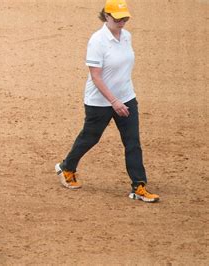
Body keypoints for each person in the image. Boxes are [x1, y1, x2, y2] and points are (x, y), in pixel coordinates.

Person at [54, 0, 159, 203]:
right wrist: (114, 101)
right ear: (107, 16)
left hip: (127, 98)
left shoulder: (127, 36)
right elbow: (96, 76)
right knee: (90, 138)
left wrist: (122, 98)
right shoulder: (97, 41)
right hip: (100, 102)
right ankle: (67, 167)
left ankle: (139, 186)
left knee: (132, 142)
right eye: (118, 18)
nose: (122, 22)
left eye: (125, 18)